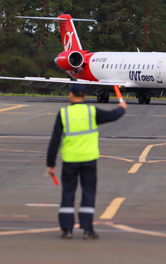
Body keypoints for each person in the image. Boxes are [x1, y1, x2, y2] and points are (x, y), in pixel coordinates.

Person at [46, 84, 127, 240]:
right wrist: (121, 108)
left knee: (68, 193)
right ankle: (87, 229)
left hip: (70, 160)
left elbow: (54, 141)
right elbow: (112, 115)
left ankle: (67, 230)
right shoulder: (91, 111)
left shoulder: (64, 113)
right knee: (88, 193)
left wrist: (50, 164)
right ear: (84, 96)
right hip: (89, 160)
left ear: (71, 94)